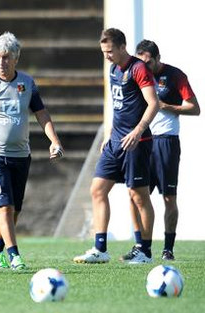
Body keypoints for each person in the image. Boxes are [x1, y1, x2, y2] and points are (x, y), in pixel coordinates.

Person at [0, 31, 64, 271]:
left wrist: (54, 140)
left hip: (21, 155)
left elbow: (41, 113)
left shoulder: (27, 83)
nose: (1, 62)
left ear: (16, 58)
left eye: (6, 57)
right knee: (4, 206)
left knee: (14, 209)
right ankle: (14, 255)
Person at [73, 28, 159, 264]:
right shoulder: (112, 69)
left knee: (138, 196)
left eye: (110, 51)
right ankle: (100, 249)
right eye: (103, 52)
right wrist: (109, 134)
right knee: (97, 190)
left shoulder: (138, 68)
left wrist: (138, 130)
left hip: (137, 142)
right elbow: (118, 106)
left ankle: (145, 251)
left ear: (123, 47)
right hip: (115, 142)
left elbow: (154, 103)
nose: (107, 56)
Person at [121, 40, 200, 261]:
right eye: (141, 62)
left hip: (166, 141)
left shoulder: (175, 76)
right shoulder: (136, 74)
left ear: (157, 58)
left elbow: (195, 108)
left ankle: (168, 248)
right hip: (142, 140)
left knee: (169, 197)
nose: (144, 66)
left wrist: (166, 106)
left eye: (148, 62)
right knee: (134, 194)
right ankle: (140, 246)